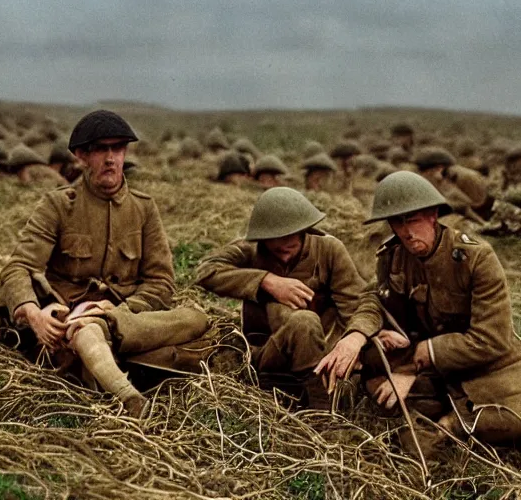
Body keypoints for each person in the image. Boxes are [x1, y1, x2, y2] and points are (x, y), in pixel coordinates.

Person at [0, 110, 208, 416]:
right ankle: (130, 398)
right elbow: (18, 266)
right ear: (81, 156)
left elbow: (161, 283)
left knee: (195, 318)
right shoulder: (59, 205)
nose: (111, 158)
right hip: (67, 318)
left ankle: (106, 350)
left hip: (125, 318)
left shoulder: (143, 209)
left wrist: (118, 312)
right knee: (76, 335)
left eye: (118, 149)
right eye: (101, 149)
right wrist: (33, 313)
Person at [317, 171, 521, 450]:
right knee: (376, 377)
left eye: (412, 220)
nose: (406, 232)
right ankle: (437, 414)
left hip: (489, 368)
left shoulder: (475, 259)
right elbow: (374, 297)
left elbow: (492, 340)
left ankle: (454, 424)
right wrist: (355, 336)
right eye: (396, 223)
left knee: (510, 420)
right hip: (436, 372)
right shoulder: (394, 256)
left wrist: (416, 363)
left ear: (433, 215)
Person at [195, 188, 376, 407]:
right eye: (276, 244)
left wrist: (353, 342)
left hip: (320, 352)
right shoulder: (252, 250)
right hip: (268, 354)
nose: (284, 248)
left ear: (305, 230)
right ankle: (320, 406)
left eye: (291, 239)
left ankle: (321, 402)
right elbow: (205, 271)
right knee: (303, 321)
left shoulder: (328, 250)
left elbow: (355, 304)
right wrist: (266, 281)